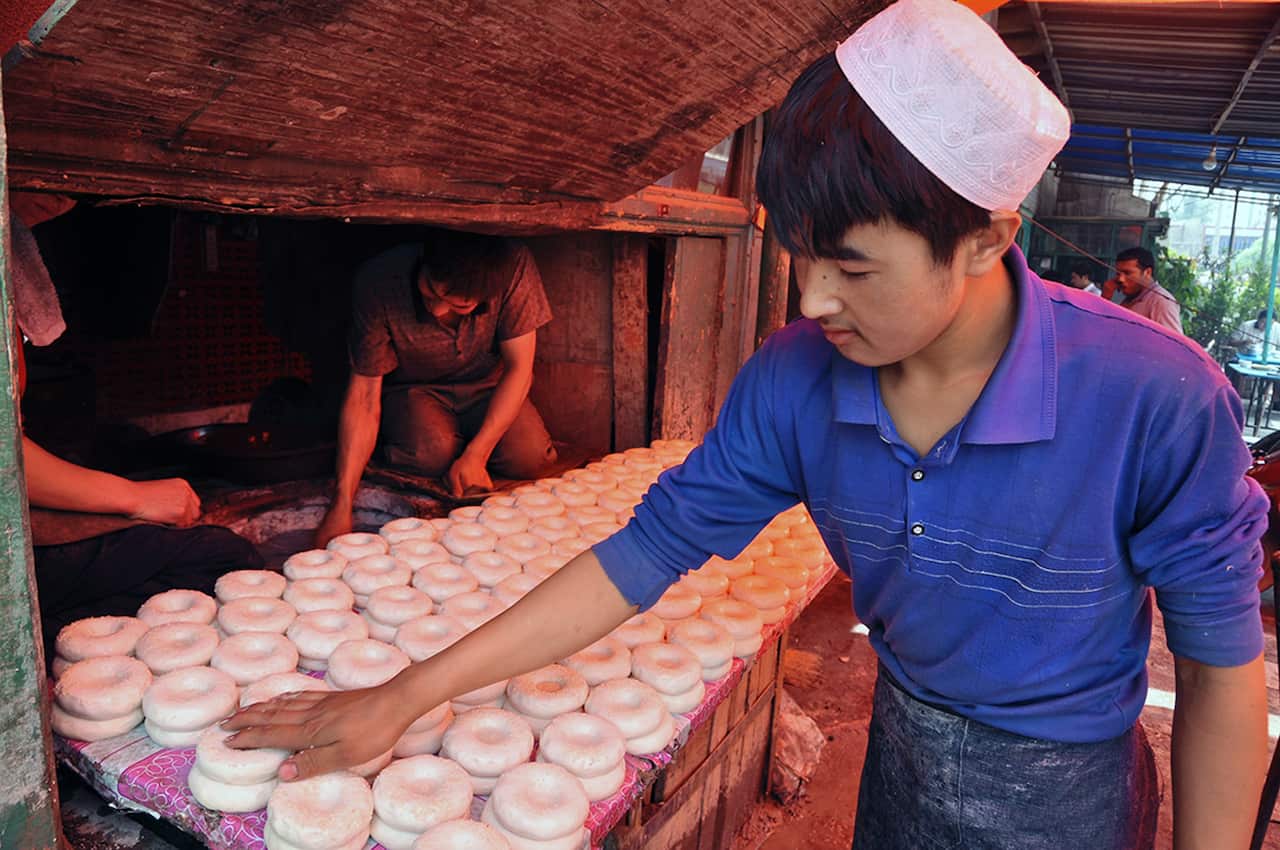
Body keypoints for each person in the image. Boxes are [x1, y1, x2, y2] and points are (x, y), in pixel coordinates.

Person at [228, 3, 1266, 848]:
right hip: (899, 758)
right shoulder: (794, 381)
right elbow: (642, 551)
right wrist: (408, 691)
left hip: (1068, 796)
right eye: (797, 254)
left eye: (851, 266)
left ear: (986, 238)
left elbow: (1220, 673)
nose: (811, 300)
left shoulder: (1151, 398)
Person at [9, 194, 265, 664]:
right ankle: (35, 645)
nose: (64, 193)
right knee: (221, 558)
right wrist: (136, 497)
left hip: (25, 523)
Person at [314, 230, 558, 545]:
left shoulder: (513, 266)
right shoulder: (378, 281)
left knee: (529, 457)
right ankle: (444, 446)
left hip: (487, 385)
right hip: (416, 390)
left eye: (457, 306)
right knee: (431, 454)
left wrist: (477, 453)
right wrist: (342, 502)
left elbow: (520, 369)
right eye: (430, 291)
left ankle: (466, 449)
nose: (436, 310)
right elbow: (363, 396)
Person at [1102, 246, 1183, 333]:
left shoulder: (1161, 302)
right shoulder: (1130, 296)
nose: (1120, 279)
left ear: (1147, 272)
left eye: (1127, 273)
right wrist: (1105, 297)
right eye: (1118, 274)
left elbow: (1172, 343)